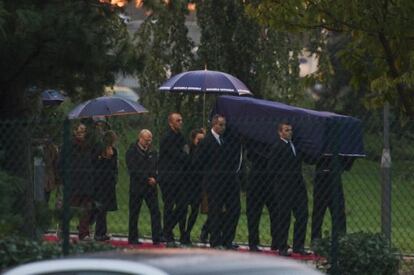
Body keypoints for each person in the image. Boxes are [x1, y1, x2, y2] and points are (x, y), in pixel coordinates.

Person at [195, 115, 241, 249]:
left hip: (228, 182)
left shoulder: (224, 140)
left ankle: (228, 239)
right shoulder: (206, 141)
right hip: (214, 183)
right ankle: (215, 241)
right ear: (214, 125)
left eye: (224, 125)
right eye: (220, 125)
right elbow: (198, 162)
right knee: (215, 212)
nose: (223, 127)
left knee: (234, 210)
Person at [268, 122, 309, 256]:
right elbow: (272, 168)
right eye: (286, 130)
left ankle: (298, 245)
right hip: (284, 188)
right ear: (280, 132)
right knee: (284, 217)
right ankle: (282, 246)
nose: (289, 132)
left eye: (290, 130)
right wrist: (281, 182)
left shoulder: (294, 146)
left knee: (302, 215)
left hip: (298, 187)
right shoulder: (277, 147)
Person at [126, 129, 163, 245]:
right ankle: (133, 238)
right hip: (137, 187)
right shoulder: (132, 151)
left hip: (151, 188)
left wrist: (156, 179)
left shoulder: (153, 152)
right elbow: (133, 169)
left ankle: (157, 237)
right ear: (140, 138)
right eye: (146, 140)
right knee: (134, 213)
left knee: (156, 212)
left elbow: (158, 167)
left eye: (150, 140)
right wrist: (147, 179)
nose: (148, 142)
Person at [159, 113, 189, 244]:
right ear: (171, 123)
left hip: (179, 178)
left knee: (183, 205)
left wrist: (185, 156)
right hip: (168, 178)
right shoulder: (167, 138)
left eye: (181, 120)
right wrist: (185, 156)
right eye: (178, 120)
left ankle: (167, 228)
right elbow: (179, 155)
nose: (181, 122)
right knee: (169, 206)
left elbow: (185, 152)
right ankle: (168, 233)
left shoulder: (180, 137)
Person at [62, 123, 95, 241]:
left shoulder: (88, 146)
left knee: (86, 209)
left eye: (84, 131)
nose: (82, 133)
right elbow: (62, 162)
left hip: (86, 182)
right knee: (71, 207)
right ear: (75, 131)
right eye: (80, 131)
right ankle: (63, 230)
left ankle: (84, 233)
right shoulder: (69, 145)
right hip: (74, 182)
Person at [311, 155, 353, 243]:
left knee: (339, 212)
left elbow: (348, 160)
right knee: (318, 213)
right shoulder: (321, 143)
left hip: (335, 178)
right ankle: (316, 241)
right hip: (321, 178)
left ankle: (340, 240)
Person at [246, 139, 277, 252]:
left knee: (275, 212)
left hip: (270, 181)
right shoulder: (254, 139)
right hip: (256, 181)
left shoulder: (274, 141)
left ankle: (276, 241)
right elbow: (250, 155)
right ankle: (253, 242)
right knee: (254, 213)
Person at [180, 128, 206, 244]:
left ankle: (188, 232)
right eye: (198, 139)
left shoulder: (204, 151)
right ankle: (182, 233)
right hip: (186, 183)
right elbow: (189, 164)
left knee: (195, 210)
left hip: (198, 184)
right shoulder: (187, 149)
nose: (200, 142)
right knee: (183, 209)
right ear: (193, 139)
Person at [92, 130, 118, 241]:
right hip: (99, 182)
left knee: (104, 208)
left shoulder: (114, 151)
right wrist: (103, 158)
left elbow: (114, 167)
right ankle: (98, 233)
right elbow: (95, 165)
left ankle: (102, 232)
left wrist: (115, 179)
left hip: (109, 183)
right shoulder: (99, 150)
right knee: (100, 208)